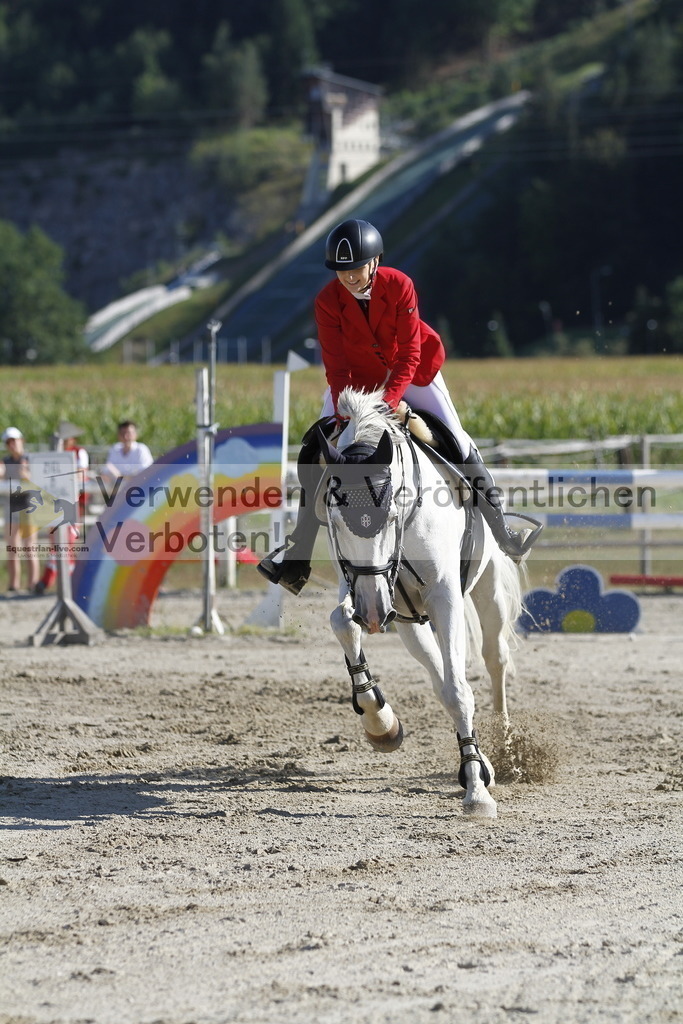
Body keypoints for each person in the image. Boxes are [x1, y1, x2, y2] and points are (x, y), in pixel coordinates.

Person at [258, 218, 542, 595]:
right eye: (341, 270)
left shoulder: (399, 285)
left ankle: (502, 532)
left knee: (457, 441)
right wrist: (349, 415)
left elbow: (409, 354)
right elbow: (337, 367)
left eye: (356, 267)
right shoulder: (327, 301)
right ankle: (297, 555)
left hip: (413, 373)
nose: (349, 277)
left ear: (374, 262)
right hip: (354, 383)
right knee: (316, 450)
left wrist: (389, 404)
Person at [34, 421, 90, 595]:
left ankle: (65, 580)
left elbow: (81, 477)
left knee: (68, 543)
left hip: (71, 503)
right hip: (55, 504)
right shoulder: (55, 455)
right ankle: (51, 580)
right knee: (56, 544)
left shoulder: (78, 453)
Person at [1, 426, 40, 593]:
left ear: (21, 441)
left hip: (29, 508)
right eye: (8, 442)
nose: (11, 445)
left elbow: (38, 483)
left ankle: (33, 585)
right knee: (12, 547)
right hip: (12, 508)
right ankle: (13, 585)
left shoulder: (30, 459)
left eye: (14, 441)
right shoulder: (5, 462)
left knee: (30, 547)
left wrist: (26, 475)